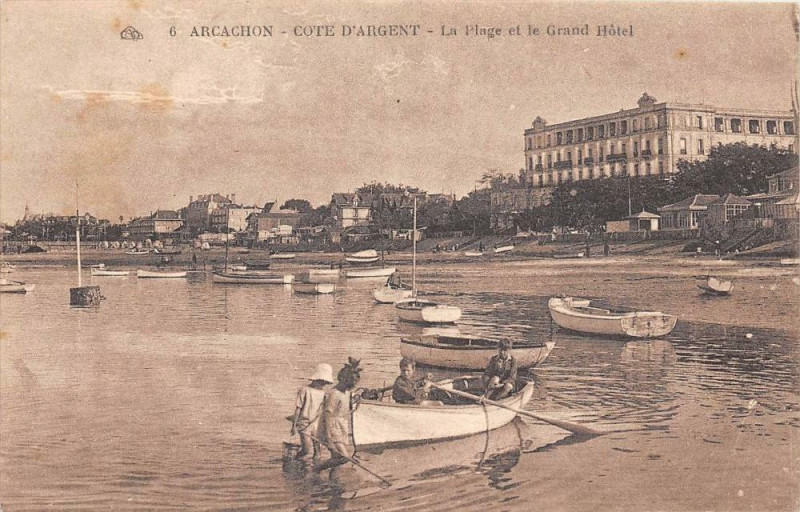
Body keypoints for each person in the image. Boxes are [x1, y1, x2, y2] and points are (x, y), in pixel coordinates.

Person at [317, 358, 362, 471]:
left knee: (336, 457)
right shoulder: (334, 394)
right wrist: (329, 438)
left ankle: (332, 478)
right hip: (331, 428)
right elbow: (327, 415)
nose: (353, 386)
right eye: (351, 383)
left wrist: (355, 400)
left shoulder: (346, 392)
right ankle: (316, 469)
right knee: (344, 457)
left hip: (340, 427)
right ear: (343, 380)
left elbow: (345, 406)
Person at [290, 363, 333, 461]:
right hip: (304, 424)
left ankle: (314, 468)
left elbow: (324, 411)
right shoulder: (304, 390)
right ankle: (294, 461)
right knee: (306, 450)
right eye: (322, 382)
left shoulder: (323, 393)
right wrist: (294, 426)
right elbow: (298, 408)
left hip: (317, 424)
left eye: (325, 383)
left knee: (318, 452)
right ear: (316, 379)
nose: (323, 384)